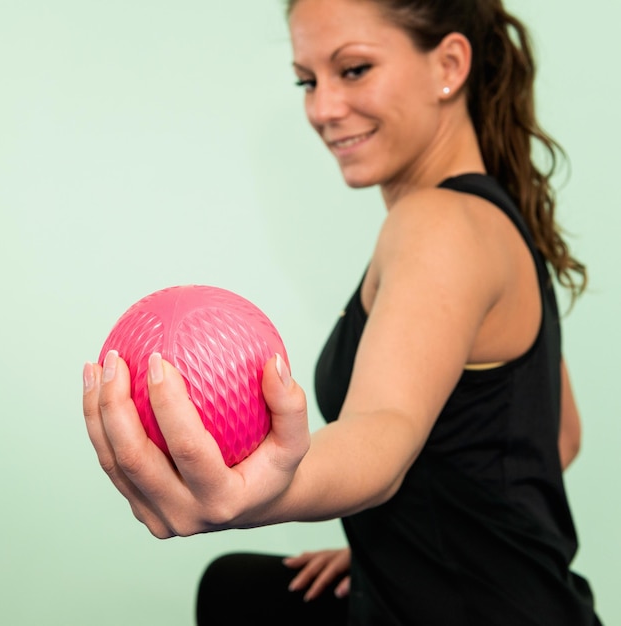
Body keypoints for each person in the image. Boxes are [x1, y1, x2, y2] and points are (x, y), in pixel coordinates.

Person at [82, 0, 603, 623]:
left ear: (450, 63)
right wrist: (389, 545)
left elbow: (382, 427)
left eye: (353, 69)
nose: (322, 108)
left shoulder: (439, 224)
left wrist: (259, 490)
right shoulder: (487, 216)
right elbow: (558, 437)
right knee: (242, 590)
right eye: (308, 80)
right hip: (501, 596)